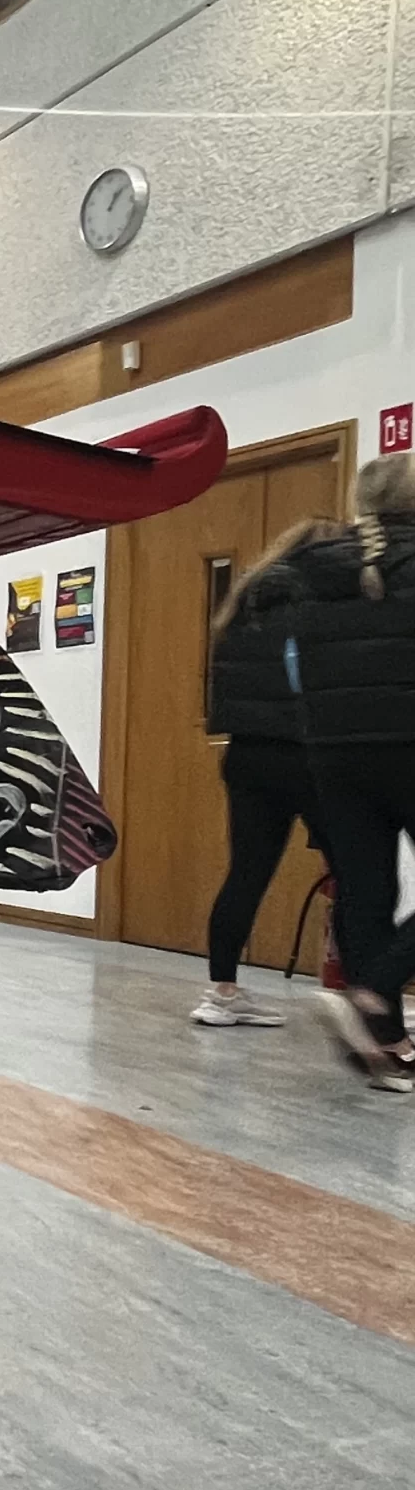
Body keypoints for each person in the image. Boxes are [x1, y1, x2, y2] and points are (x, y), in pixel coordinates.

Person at [288, 455, 415, 1090]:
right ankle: (374, 991)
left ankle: (384, 1043)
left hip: (332, 750)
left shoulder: (313, 570)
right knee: (371, 893)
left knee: (366, 890)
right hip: (408, 739)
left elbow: (293, 664)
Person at [191, 529, 328, 1027]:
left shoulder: (242, 608)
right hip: (309, 754)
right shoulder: (318, 607)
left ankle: (222, 993)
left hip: (248, 754)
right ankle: (368, 997)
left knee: (246, 872)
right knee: (356, 875)